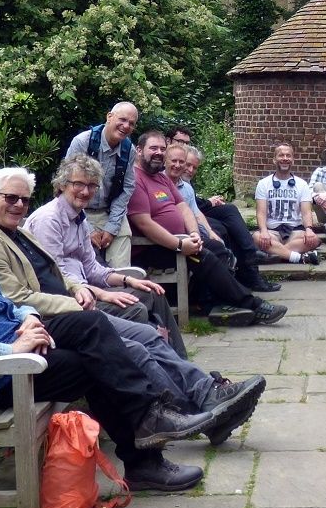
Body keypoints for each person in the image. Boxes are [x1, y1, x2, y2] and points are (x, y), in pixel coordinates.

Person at [0, 175, 213, 493]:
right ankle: (146, 447)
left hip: (10, 349)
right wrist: (12, 351)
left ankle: (148, 426)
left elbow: (6, 302)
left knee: (90, 326)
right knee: (94, 362)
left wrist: (27, 319)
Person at [0, 167, 265, 458]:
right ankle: (197, 412)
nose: (19, 205)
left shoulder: (19, 232)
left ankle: (205, 395)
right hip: (56, 320)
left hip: (76, 307)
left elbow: (60, 274)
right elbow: (18, 298)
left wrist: (91, 286)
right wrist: (83, 297)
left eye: (23, 199)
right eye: (11, 198)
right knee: (134, 346)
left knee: (147, 329)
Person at [25, 154, 189, 356]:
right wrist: (103, 294)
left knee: (153, 292)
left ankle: (180, 363)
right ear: (62, 185)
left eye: (92, 186)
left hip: (88, 290)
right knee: (136, 309)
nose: (86, 191)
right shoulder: (49, 220)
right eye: (78, 184)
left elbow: (92, 268)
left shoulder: (80, 219)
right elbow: (57, 278)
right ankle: (146, 370)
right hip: (71, 301)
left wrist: (129, 280)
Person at [129, 131, 289, 326]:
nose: (159, 153)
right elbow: (144, 224)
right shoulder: (136, 180)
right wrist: (180, 244)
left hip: (178, 241)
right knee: (204, 256)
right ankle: (254, 305)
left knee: (217, 248)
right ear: (139, 150)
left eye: (162, 149)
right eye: (153, 148)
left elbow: (184, 208)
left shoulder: (161, 179)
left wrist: (195, 234)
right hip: (153, 249)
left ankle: (217, 303)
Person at [174, 144, 278, 292]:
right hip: (184, 224)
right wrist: (209, 203)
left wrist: (209, 228)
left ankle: (250, 257)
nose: (190, 170)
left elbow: (194, 207)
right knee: (223, 227)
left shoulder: (186, 184)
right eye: (188, 165)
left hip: (196, 213)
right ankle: (243, 272)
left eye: (194, 167)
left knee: (229, 210)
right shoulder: (169, 179)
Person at [66, 101, 139, 267]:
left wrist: (112, 227)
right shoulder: (83, 142)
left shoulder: (130, 151)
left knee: (123, 235)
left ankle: (121, 285)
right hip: (78, 209)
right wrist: (88, 229)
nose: (126, 126)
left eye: (131, 123)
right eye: (122, 119)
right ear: (109, 117)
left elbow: (126, 189)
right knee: (85, 264)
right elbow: (66, 187)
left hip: (109, 211)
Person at [253, 142, 322, 265]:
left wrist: (309, 229)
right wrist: (263, 231)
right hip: (272, 232)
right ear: (275, 159)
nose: (285, 159)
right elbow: (261, 212)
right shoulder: (263, 184)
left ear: (293, 160)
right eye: (281, 155)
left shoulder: (302, 184)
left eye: (288, 156)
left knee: (314, 239)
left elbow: (306, 213)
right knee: (257, 237)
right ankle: (298, 257)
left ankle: (273, 254)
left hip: (295, 231)